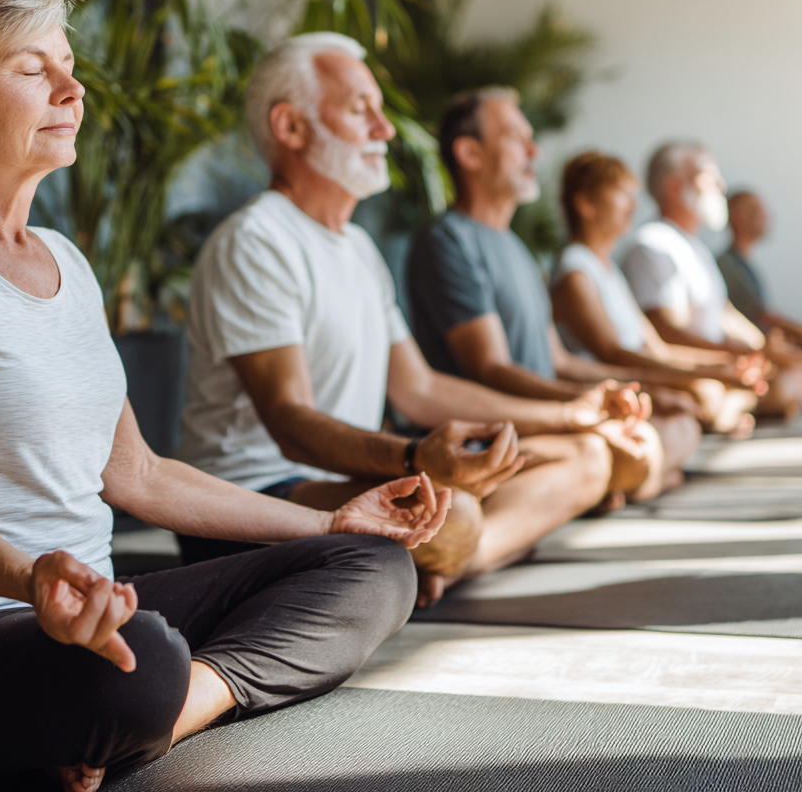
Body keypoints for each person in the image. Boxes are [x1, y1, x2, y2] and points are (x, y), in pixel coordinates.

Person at [0, 0, 451, 792]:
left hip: (90, 619)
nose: (72, 88)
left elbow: (139, 475)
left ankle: (172, 712)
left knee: (372, 565)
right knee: (145, 653)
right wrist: (35, 583)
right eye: (33, 69)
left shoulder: (66, 261)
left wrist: (328, 522)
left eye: (67, 63)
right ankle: (132, 707)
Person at [178, 33, 646, 605]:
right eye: (361, 110)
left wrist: (570, 416)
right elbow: (290, 421)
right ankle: (460, 552)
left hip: (341, 481)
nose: (386, 129)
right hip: (251, 503)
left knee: (586, 454)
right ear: (291, 127)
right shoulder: (255, 241)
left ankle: (455, 562)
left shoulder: (357, 247)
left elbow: (420, 388)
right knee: (455, 515)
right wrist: (413, 458)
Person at [406, 89, 693, 496]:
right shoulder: (447, 240)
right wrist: (581, 406)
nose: (534, 151)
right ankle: (623, 485)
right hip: (501, 438)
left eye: (531, 138)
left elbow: (560, 360)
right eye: (515, 138)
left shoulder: (519, 249)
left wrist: (636, 390)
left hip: (557, 422)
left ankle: (620, 487)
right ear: (470, 154)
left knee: (678, 424)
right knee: (635, 449)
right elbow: (491, 368)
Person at [551, 152, 762, 436]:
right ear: (585, 204)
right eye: (622, 195)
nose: (633, 205)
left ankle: (718, 416)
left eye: (633, 196)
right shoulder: (575, 272)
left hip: (641, 373)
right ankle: (717, 417)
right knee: (707, 393)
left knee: (722, 388)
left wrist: (724, 364)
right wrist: (703, 374)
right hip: (615, 383)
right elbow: (615, 354)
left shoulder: (607, 268)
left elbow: (657, 347)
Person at [621, 143, 802, 418]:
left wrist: (761, 350)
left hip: (723, 365)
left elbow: (724, 313)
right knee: (771, 386)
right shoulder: (653, 245)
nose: (721, 185)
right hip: (697, 369)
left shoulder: (696, 248)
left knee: (791, 375)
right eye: (708, 177)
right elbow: (667, 332)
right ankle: (731, 411)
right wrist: (736, 357)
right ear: (674, 187)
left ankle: (735, 410)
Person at [718, 191, 802, 345]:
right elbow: (760, 314)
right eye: (760, 210)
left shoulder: (744, 264)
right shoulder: (727, 265)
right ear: (740, 217)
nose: (768, 217)